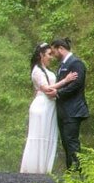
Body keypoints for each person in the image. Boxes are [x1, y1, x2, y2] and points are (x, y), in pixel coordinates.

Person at [19, 42, 77, 174]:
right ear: (41, 55)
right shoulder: (37, 71)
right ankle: (34, 169)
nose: (51, 57)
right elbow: (46, 89)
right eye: (49, 54)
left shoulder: (46, 70)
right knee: (39, 135)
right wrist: (66, 81)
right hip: (42, 106)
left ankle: (43, 168)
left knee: (47, 135)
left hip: (49, 105)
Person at [50, 38, 89, 172]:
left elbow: (76, 85)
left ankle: (78, 172)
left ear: (61, 48)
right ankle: (70, 170)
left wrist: (58, 92)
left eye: (54, 51)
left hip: (73, 110)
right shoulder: (62, 65)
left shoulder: (76, 63)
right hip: (63, 111)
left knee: (71, 141)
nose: (53, 55)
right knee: (66, 142)